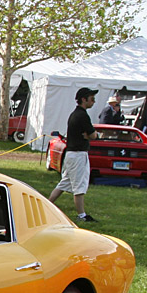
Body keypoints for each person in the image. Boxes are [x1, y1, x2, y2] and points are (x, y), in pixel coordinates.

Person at [48, 87, 98, 222]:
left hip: (71, 154)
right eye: (92, 99)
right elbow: (93, 134)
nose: (93, 102)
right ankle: (81, 215)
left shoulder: (75, 114)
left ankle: (47, 205)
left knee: (64, 183)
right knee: (79, 185)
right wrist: (92, 135)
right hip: (78, 154)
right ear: (84, 99)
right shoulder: (82, 115)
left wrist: (88, 135)